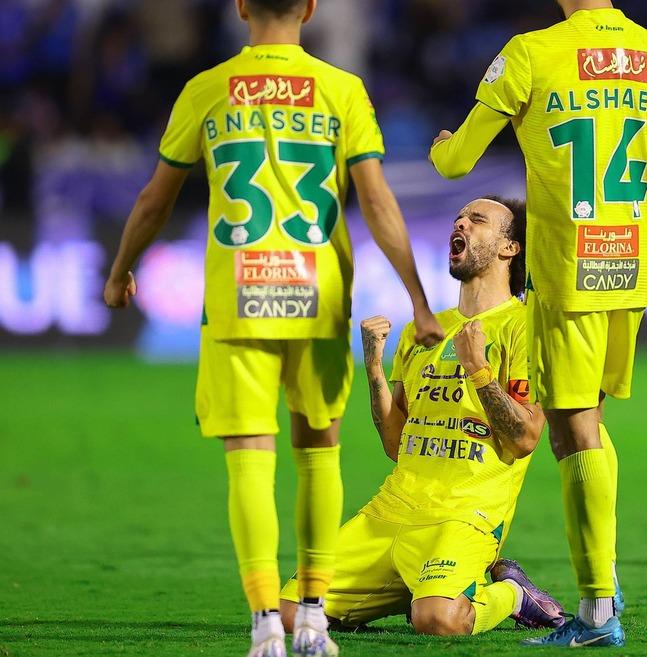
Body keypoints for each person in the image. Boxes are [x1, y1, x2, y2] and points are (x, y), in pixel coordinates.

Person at [102, 0, 443, 655]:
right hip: (317, 298)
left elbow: (154, 198)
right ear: (312, 8)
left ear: (239, 7)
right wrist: (419, 300)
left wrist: (120, 271)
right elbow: (375, 199)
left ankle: (266, 625)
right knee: (319, 451)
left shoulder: (206, 89)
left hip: (240, 299)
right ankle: (313, 615)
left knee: (249, 463)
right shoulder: (343, 90)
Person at [429, 0, 647, 647]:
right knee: (583, 419)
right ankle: (606, 580)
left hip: (569, 273)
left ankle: (595, 614)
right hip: (629, 268)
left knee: (573, 429)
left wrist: (444, 148)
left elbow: (455, 166)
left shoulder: (532, 53)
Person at [280, 196, 563, 636]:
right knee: (291, 614)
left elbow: (525, 438)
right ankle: (409, 590)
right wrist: (374, 370)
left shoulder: (526, 327)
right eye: (458, 218)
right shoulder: (421, 330)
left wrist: (480, 373)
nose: (462, 223)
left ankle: (511, 594)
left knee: (440, 620)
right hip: (393, 509)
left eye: (477, 219)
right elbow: (396, 443)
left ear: (510, 248)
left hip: (463, 515)